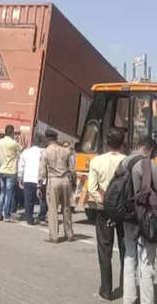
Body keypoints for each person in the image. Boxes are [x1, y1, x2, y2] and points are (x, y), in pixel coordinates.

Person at [86, 129, 126, 301]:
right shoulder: (127, 161)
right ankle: (127, 288)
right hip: (123, 212)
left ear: (106, 142)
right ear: (122, 143)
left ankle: (106, 290)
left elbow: (92, 189)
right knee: (127, 251)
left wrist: (103, 201)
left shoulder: (97, 161)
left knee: (104, 250)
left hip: (104, 211)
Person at [122, 135, 157, 304]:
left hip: (127, 216)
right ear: (150, 149)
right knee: (146, 262)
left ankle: (129, 298)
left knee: (129, 256)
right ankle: (147, 300)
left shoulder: (124, 162)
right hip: (146, 219)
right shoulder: (148, 164)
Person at [39, 129, 75, 242]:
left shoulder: (45, 152)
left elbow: (42, 172)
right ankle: (69, 234)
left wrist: (40, 185)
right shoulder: (66, 151)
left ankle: (54, 236)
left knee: (53, 209)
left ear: (47, 139)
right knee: (66, 208)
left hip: (53, 180)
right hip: (65, 180)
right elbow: (71, 168)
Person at [0, 125, 22, 222]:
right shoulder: (14, 143)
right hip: (11, 171)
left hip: (2, 170)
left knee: (2, 193)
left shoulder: (0, 142)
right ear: (12, 132)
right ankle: (6, 215)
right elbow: (22, 149)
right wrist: (18, 139)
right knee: (9, 194)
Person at [18, 135, 43, 225]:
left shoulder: (25, 152)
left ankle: (29, 218)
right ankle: (42, 216)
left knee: (28, 200)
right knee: (41, 199)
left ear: (32, 143)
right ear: (40, 143)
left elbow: (21, 166)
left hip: (27, 178)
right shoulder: (42, 152)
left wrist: (20, 178)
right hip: (39, 179)